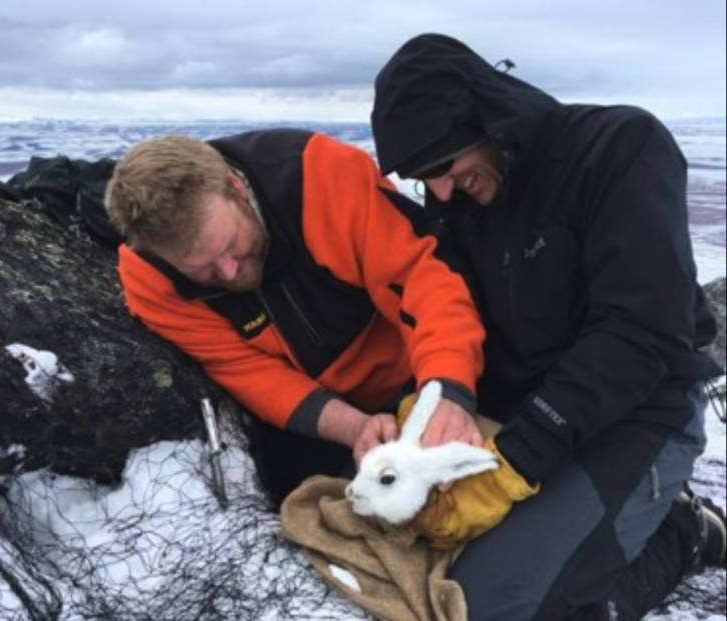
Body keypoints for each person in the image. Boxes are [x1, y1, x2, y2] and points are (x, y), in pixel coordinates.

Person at [371, 33, 726, 620]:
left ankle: (681, 534)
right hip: (530, 413)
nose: (438, 189)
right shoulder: (457, 203)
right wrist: (435, 404)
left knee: (490, 608)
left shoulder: (618, 149)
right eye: (418, 176)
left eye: (442, 164)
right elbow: (451, 316)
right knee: (417, 557)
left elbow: (643, 332)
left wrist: (517, 459)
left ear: (486, 117)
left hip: (640, 412)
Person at [103, 129, 487, 504]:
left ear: (235, 188)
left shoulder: (322, 174)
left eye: (231, 244)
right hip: (315, 420)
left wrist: (447, 392)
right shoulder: (150, 282)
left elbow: (425, 283)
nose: (230, 272)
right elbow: (248, 371)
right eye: (203, 270)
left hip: (420, 371)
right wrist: (355, 428)